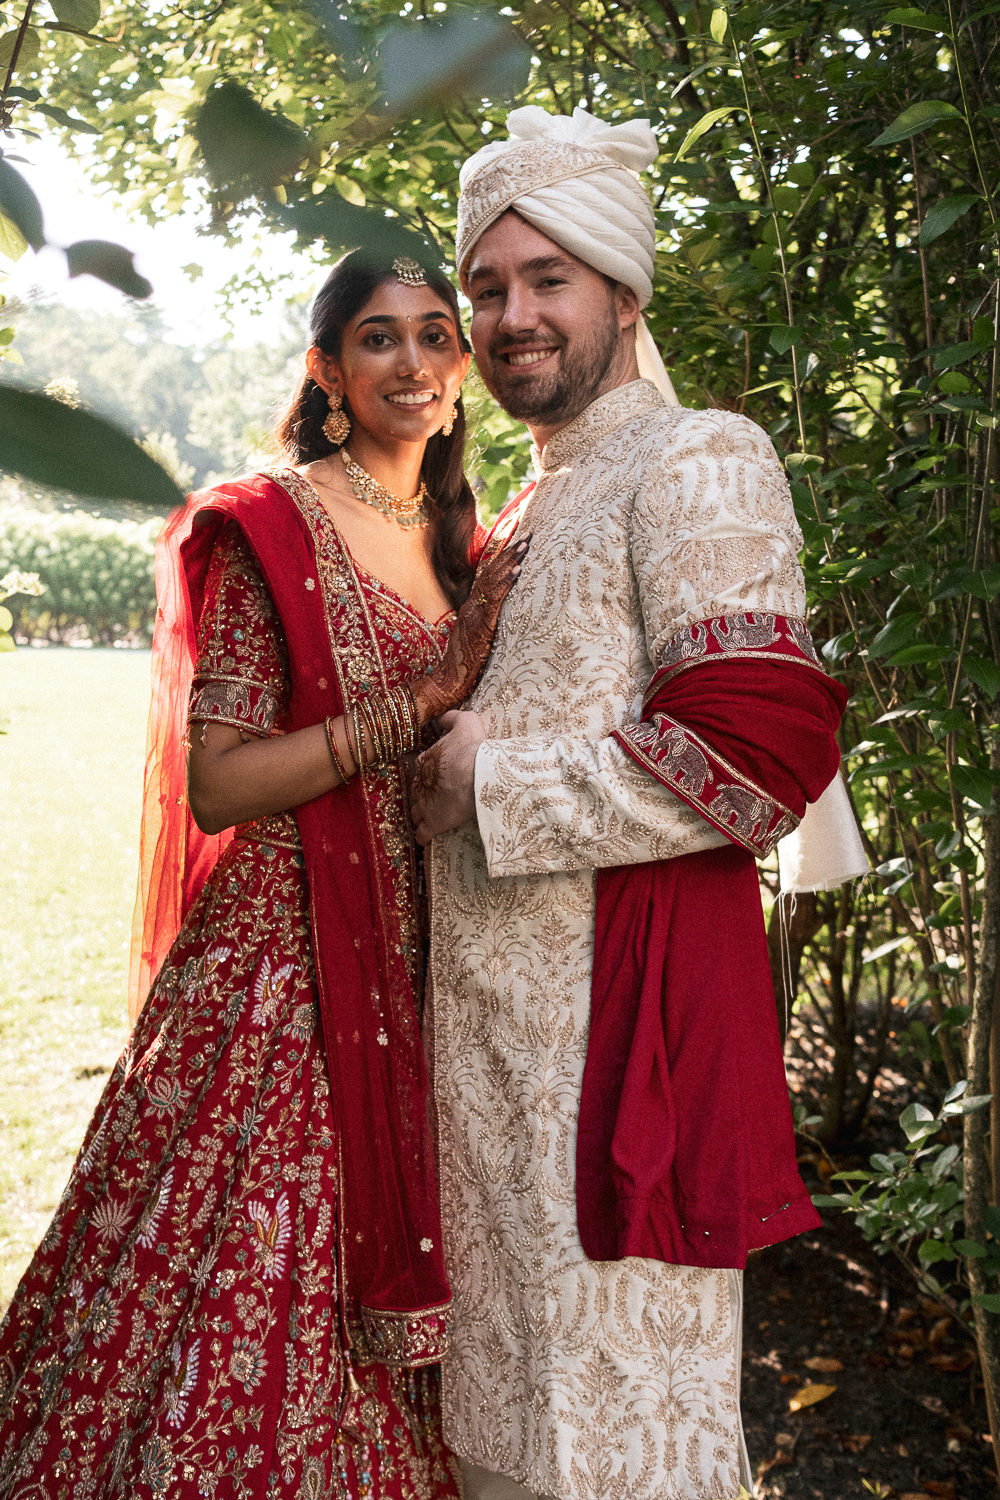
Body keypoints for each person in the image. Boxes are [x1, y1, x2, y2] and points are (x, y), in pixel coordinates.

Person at [0, 249, 527, 1498]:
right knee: (257, 1259)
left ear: (462, 370)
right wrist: (422, 699)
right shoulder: (270, 527)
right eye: (380, 338)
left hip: (428, 955)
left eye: (436, 335)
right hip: (280, 969)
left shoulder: (467, 539)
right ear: (327, 370)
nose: (414, 362)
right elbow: (225, 783)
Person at [410, 107, 867, 1500]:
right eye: (486, 290)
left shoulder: (697, 457)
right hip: (476, 1083)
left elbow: (754, 761)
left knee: (610, 1468)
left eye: (548, 279)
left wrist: (488, 777)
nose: (512, 317)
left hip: (615, 1070)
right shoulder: (526, 504)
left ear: (621, 289)